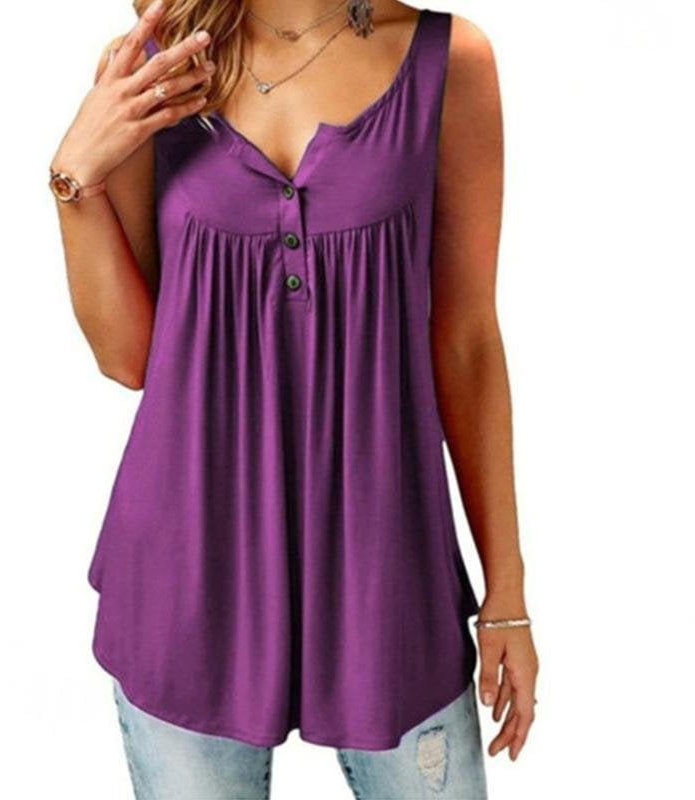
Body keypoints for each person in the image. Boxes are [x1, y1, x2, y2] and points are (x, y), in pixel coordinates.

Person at [49, 1, 539, 797]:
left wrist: (505, 596)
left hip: (390, 575)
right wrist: (76, 182)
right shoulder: (157, 65)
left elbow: (467, 343)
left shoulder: (448, 62)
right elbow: (129, 358)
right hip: (189, 575)